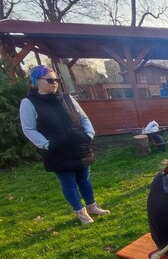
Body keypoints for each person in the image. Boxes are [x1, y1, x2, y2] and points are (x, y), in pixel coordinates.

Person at [19, 65, 110, 225]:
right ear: (36, 81)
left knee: (84, 180)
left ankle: (92, 206)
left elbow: (84, 118)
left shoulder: (67, 98)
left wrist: (88, 134)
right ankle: (80, 212)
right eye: (50, 80)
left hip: (79, 146)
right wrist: (47, 144)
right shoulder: (29, 103)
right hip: (57, 151)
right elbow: (28, 129)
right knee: (68, 182)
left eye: (56, 80)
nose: (54, 83)